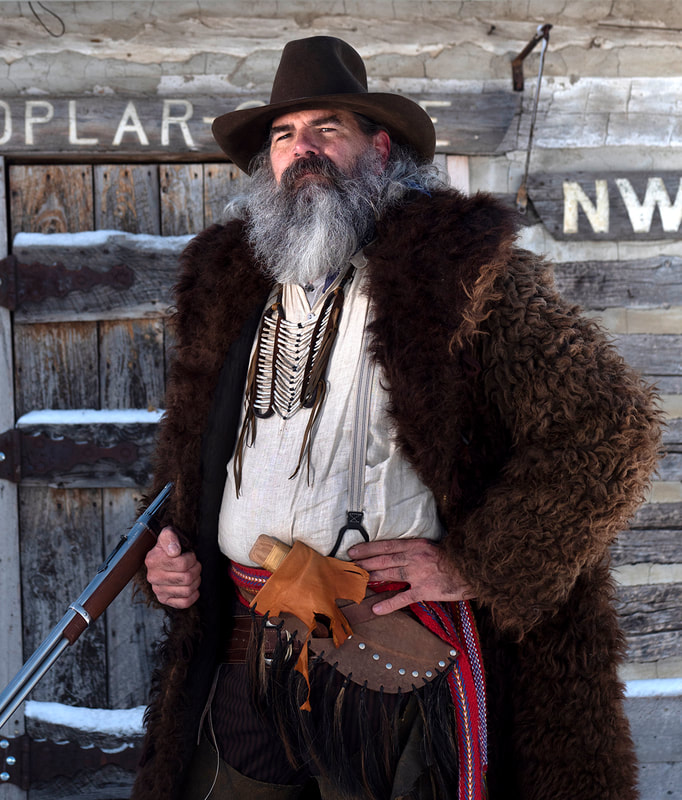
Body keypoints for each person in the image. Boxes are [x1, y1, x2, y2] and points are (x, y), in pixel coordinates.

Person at [132, 36, 661, 800]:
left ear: (378, 148)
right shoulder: (230, 283)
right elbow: (189, 460)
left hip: (387, 652)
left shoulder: (459, 272)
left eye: (326, 129)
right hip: (246, 642)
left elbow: (612, 425)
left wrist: (474, 562)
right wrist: (168, 559)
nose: (301, 149)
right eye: (284, 136)